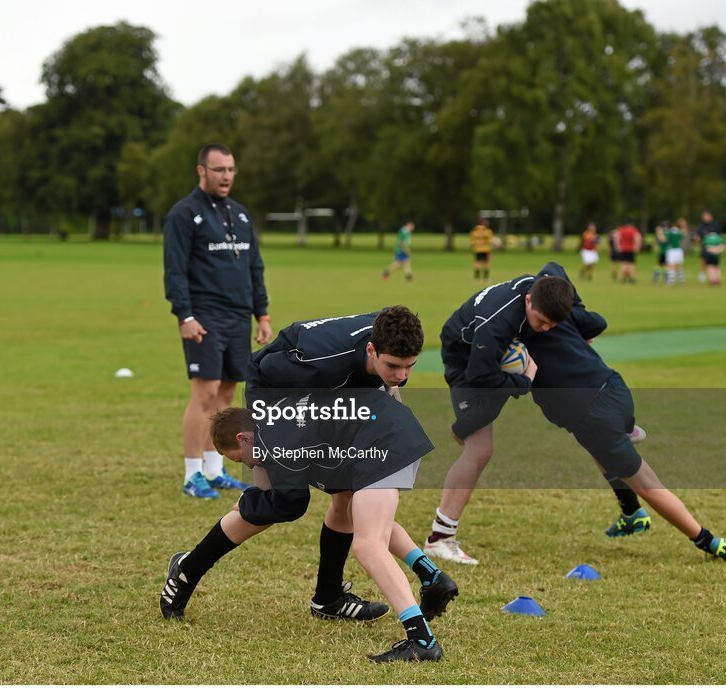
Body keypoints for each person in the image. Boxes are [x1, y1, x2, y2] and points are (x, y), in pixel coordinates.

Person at [160, 308, 456, 663]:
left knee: (349, 500)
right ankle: (189, 568)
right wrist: (280, 452)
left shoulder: (391, 336)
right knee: (286, 501)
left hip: (341, 413)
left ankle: (330, 599)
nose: (402, 375)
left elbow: (383, 393)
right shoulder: (318, 360)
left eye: (410, 366)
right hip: (274, 398)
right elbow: (264, 377)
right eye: (394, 366)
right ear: (372, 351)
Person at [522, 264, 726, 561]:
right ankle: (631, 510)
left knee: (647, 484)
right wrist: (574, 305)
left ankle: (707, 540)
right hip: (614, 389)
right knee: (598, 447)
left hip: (595, 413)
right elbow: (555, 268)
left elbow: (552, 271)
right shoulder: (562, 313)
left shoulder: (533, 320)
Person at [421, 269, 575, 564]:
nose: (544, 328)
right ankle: (439, 539)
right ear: (528, 300)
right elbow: (480, 377)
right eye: (541, 321)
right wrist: (524, 381)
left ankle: (465, 424)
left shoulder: (543, 286)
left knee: (477, 430)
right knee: (480, 450)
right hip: (465, 361)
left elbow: (555, 267)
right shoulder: (497, 324)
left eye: (552, 324)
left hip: (493, 352)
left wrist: (584, 329)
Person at [163, 144, 272, 500]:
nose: (226, 176)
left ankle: (215, 468)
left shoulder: (239, 215)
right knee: (205, 393)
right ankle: (192, 474)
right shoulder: (183, 215)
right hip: (203, 317)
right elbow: (175, 271)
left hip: (238, 316)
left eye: (230, 169)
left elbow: (255, 267)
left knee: (226, 391)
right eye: (219, 169)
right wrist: (185, 315)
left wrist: (262, 313)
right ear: (201, 171)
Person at [694, 211, 721, 283]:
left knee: (714, 263)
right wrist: (697, 239)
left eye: (706, 216)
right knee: (703, 260)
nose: (705, 218)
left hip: (714, 247)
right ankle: (702, 275)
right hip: (704, 246)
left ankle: (716, 278)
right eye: (704, 216)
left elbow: (718, 236)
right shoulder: (701, 226)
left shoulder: (715, 225)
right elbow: (698, 236)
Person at [662, 219, 686, 286]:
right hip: (679, 250)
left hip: (671, 250)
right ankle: (681, 280)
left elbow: (664, 239)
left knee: (671, 265)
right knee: (679, 265)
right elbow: (682, 236)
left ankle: (671, 280)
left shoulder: (669, 232)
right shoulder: (679, 232)